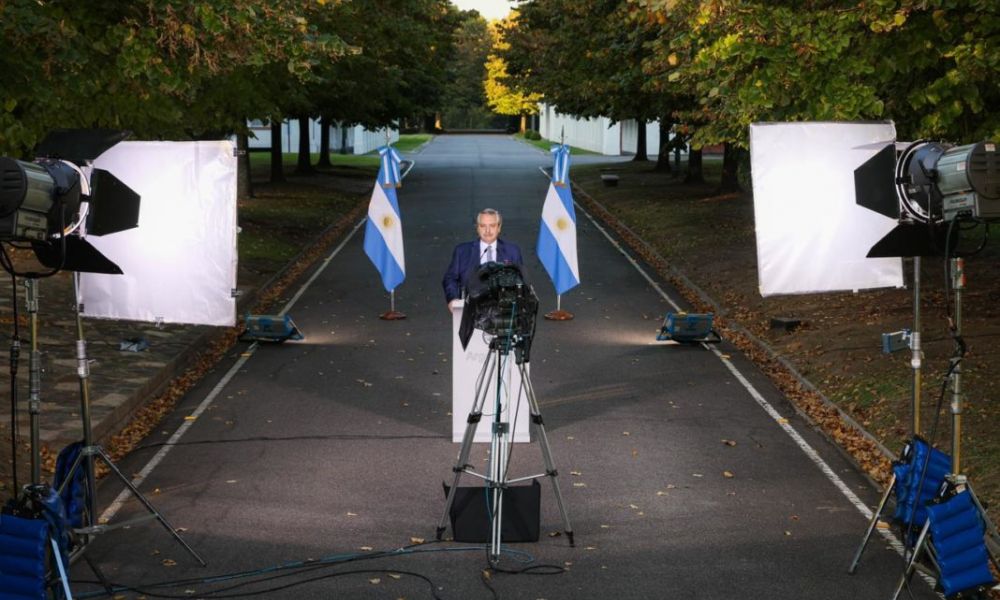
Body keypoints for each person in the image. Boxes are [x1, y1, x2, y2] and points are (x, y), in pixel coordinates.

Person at [442, 208, 523, 306]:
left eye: (492, 226)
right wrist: (453, 300)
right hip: (470, 308)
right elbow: (450, 278)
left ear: (499, 227)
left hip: (503, 309)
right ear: (477, 228)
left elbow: (521, 281)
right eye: (483, 226)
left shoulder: (512, 251)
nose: (487, 231)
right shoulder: (462, 251)